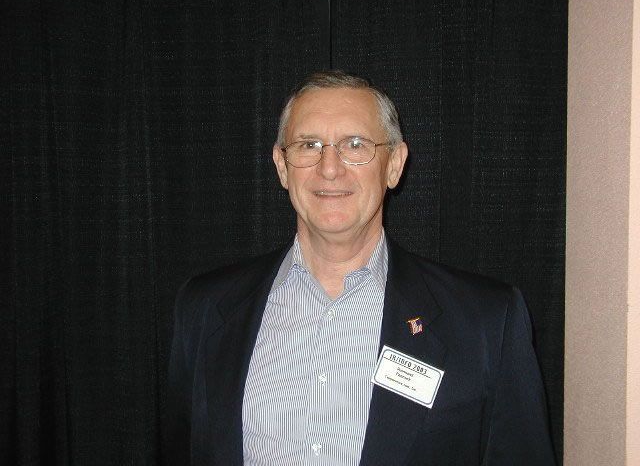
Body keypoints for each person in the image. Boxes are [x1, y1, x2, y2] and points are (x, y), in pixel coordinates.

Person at [166, 71, 556, 465]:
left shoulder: (485, 322)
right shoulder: (205, 309)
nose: (329, 168)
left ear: (394, 164)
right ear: (282, 166)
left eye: (355, 145)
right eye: (308, 145)